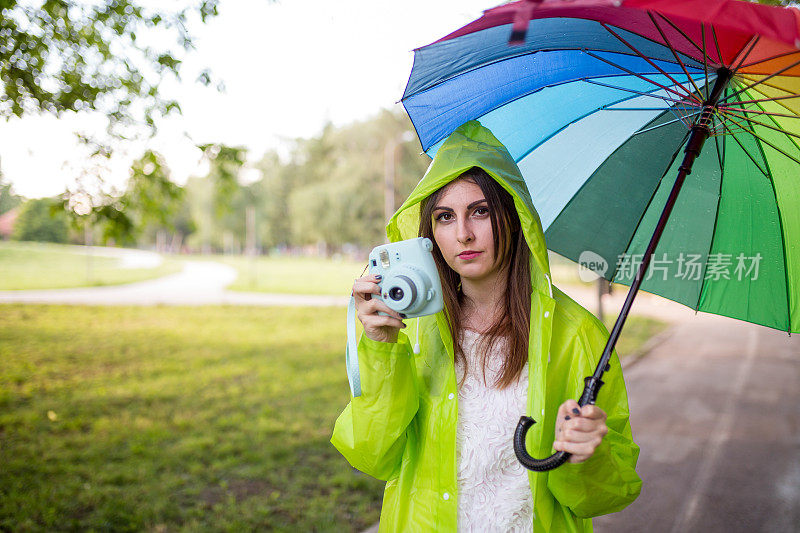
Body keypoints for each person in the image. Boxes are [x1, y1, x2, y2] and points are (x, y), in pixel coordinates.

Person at [331, 121, 641, 532]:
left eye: (480, 211)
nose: (463, 234)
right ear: (430, 234)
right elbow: (373, 454)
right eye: (445, 217)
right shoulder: (412, 329)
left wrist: (587, 455)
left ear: (514, 218)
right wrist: (381, 348)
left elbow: (604, 496)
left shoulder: (577, 334)